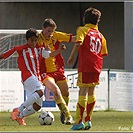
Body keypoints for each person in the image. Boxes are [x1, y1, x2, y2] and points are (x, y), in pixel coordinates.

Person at [0, 28, 67, 126]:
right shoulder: (20, 49)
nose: (34, 42)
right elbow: (4, 55)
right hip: (27, 76)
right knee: (40, 91)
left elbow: (50, 55)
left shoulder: (39, 49)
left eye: (36, 40)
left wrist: (60, 50)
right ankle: (18, 110)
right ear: (27, 40)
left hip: (36, 77)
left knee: (37, 106)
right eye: (32, 40)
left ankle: (20, 116)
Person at [67, 7, 108, 130]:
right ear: (98, 21)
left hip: (85, 66)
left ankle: (79, 122)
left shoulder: (82, 29)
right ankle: (88, 120)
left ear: (85, 19)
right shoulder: (101, 36)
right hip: (97, 66)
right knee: (92, 92)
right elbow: (103, 53)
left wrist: (71, 56)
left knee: (82, 92)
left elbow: (79, 42)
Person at [37, 18, 75, 124]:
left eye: (52, 31)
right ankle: (69, 116)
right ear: (43, 28)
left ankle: (63, 112)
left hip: (58, 70)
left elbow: (73, 38)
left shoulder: (56, 35)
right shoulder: (38, 39)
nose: (50, 34)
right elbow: (45, 54)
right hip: (45, 72)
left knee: (66, 93)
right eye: (48, 31)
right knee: (55, 91)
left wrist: (85, 36)